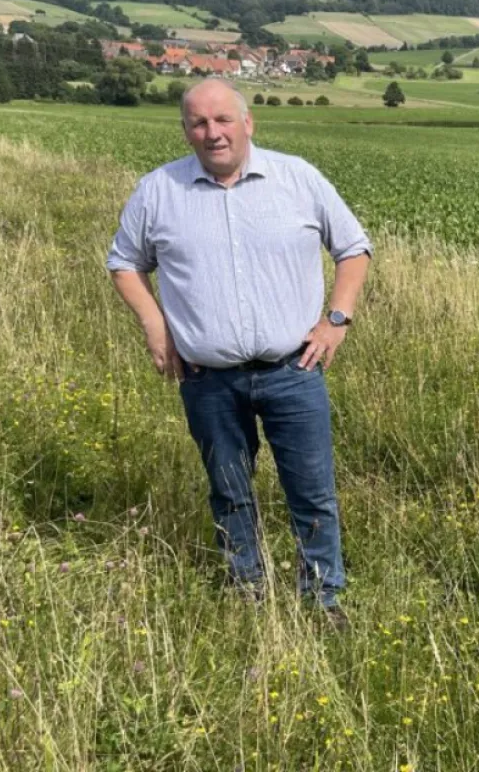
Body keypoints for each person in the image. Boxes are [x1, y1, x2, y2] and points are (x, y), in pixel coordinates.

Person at [106, 79, 371, 627]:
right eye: (199, 123)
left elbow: (353, 248)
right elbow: (124, 262)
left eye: (223, 120)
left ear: (248, 123)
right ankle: (245, 588)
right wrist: (155, 325)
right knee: (228, 490)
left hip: (293, 370)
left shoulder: (297, 178)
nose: (212, 133)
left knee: (312, 492)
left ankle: (321, 599)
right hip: (207, 377)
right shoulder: (159, 191)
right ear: (185, 130)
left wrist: (336, 320)